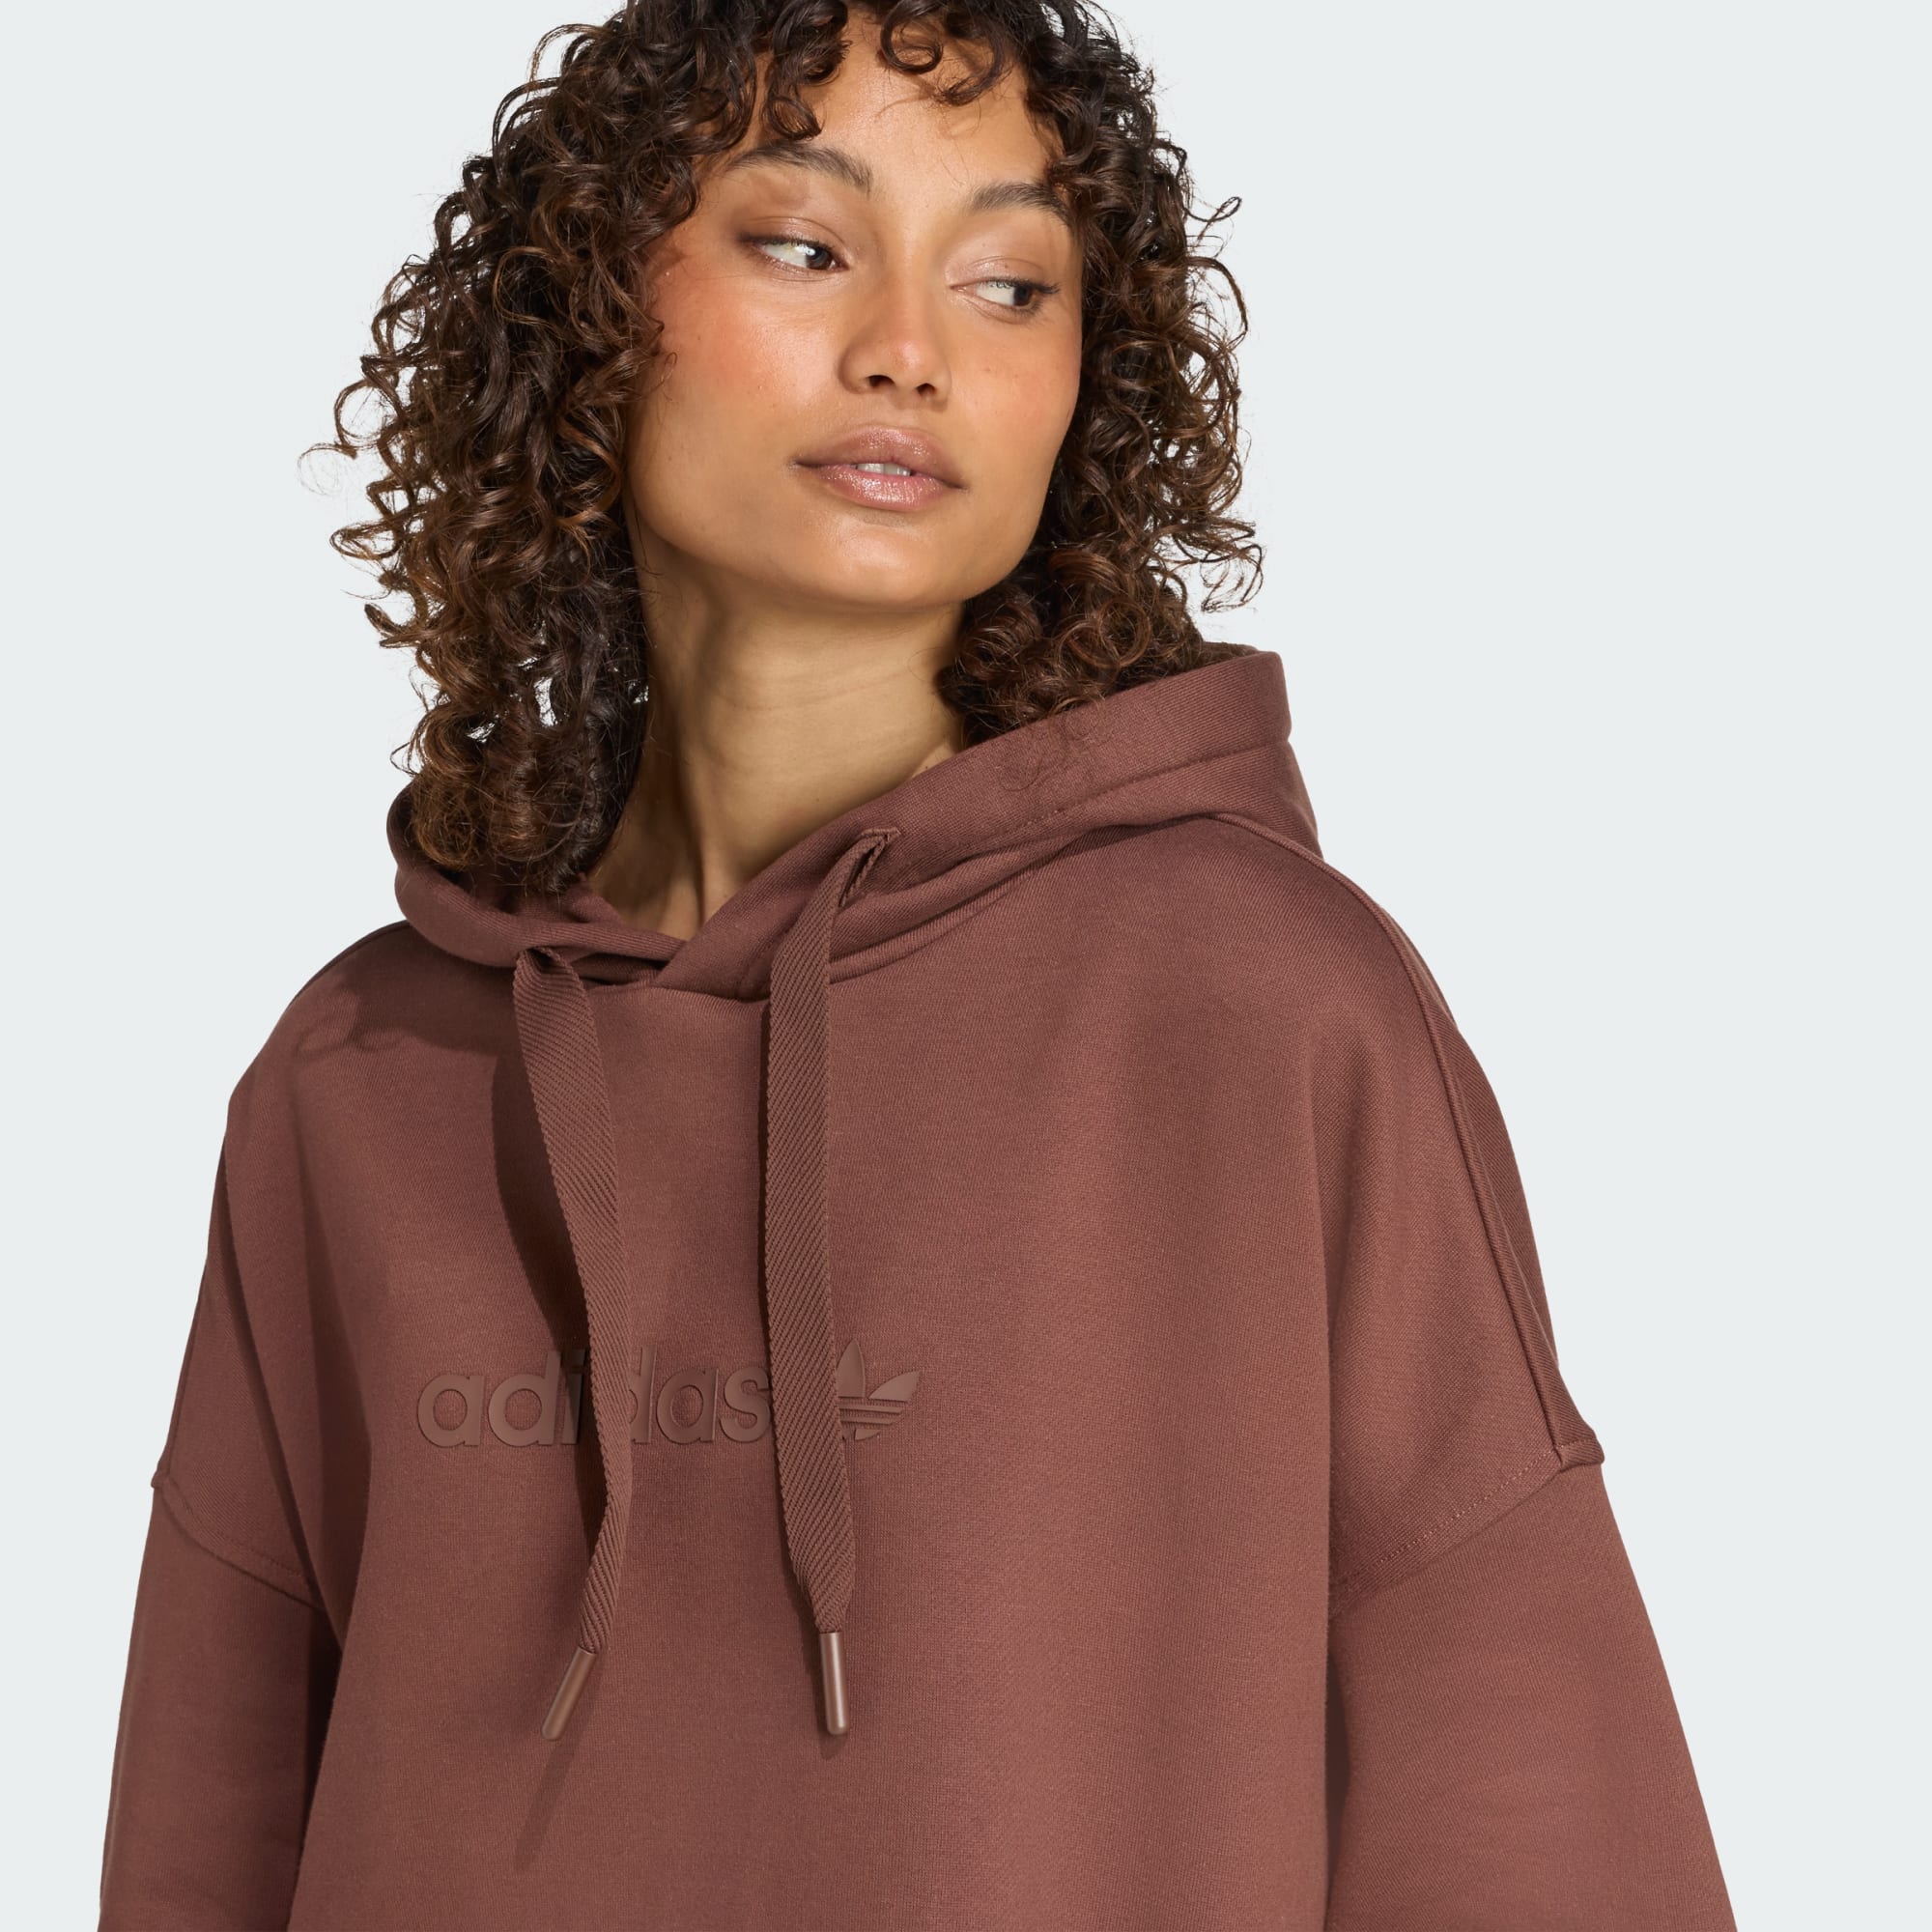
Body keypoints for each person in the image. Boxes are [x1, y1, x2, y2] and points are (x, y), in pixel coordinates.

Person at [98, 3, 1737, 1927]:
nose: (909, 348)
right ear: (586, 310)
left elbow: (1533, 1820)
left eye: (1010, 284)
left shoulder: (1262, 1009)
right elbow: (210, 1835)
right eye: (805, 246)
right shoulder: (361, 1076)